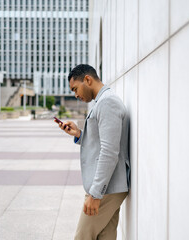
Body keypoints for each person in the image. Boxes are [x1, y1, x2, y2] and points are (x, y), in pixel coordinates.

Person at [55, 64, 130, 240]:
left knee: (82, 236)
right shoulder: (103, 101)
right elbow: (104, 141)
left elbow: (110, 151)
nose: (76, 95)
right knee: (106, 236)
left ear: (87, 80)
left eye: (75, 88)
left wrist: (95, 193)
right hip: (111, 187)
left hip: (106, 188)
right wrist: (79, 134)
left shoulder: (107, 103)